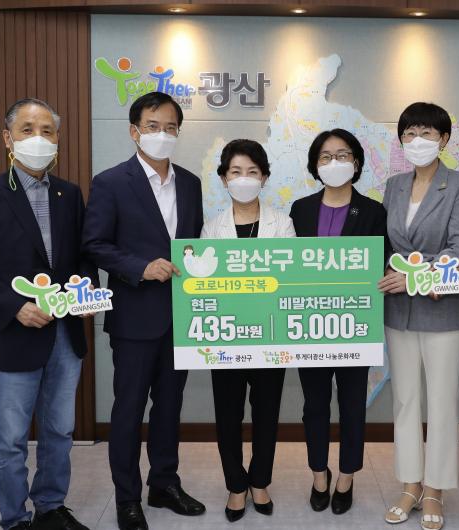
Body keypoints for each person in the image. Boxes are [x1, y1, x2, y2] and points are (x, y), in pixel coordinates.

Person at [0, 98, 96, 530]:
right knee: (12, 437)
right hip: (14, 335)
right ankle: (15, 518)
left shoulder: (69, 194)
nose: (39, 138)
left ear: (58, 139)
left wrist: (85, 292)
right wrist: (15, 306)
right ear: (7, 138)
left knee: (60, 430)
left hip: (65, 335)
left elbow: (83, 256)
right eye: (28, 129)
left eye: (47, 131)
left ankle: (50, 506)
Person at [82, 92, 205, 530]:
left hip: (181, 316)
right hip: (134, 317)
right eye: (153, 126)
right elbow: (94, 244)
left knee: (169, 407)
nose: (162, 134)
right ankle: (127, 497)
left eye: (170, 127)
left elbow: (194, 245)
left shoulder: (190, 183)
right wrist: (140, 267)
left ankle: (164, 484)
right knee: (129, 410)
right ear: (135, 131)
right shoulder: (111, 182)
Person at [378, 102, 459, 530]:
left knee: (440, 402)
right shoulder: (394, 185)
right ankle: (410, 484)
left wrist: (414, 276)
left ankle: (435, 489)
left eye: (426, 133)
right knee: (405, 401)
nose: (417, 140)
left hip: (444, 310)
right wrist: (389, 271)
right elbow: (387, 245)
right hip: (398, 311)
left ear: (444, 139)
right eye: (409, 133)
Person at [289, 128, 388, 515]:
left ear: (357, 162)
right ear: (315, 165)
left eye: (343, 155)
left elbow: (381, 264)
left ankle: (346, 477)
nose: (335, 162)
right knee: (314, 405)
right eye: (326, 156)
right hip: (310, 326)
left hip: (354, 324)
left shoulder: (374, 211)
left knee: (352, 406)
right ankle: (319, 474)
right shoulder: (300, 210)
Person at [201, 139, 295, 522]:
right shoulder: (211, 227)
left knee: (267, 413)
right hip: (226, 337)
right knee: (228, 415)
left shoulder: (282, 223)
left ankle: (260, 481)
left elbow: (289, 279)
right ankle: (236, 485)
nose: (244, 179)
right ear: (224, 178)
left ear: (264, 177)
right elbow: (202, 285)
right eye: (236, 172)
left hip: (270, 335)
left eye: (252, 172)